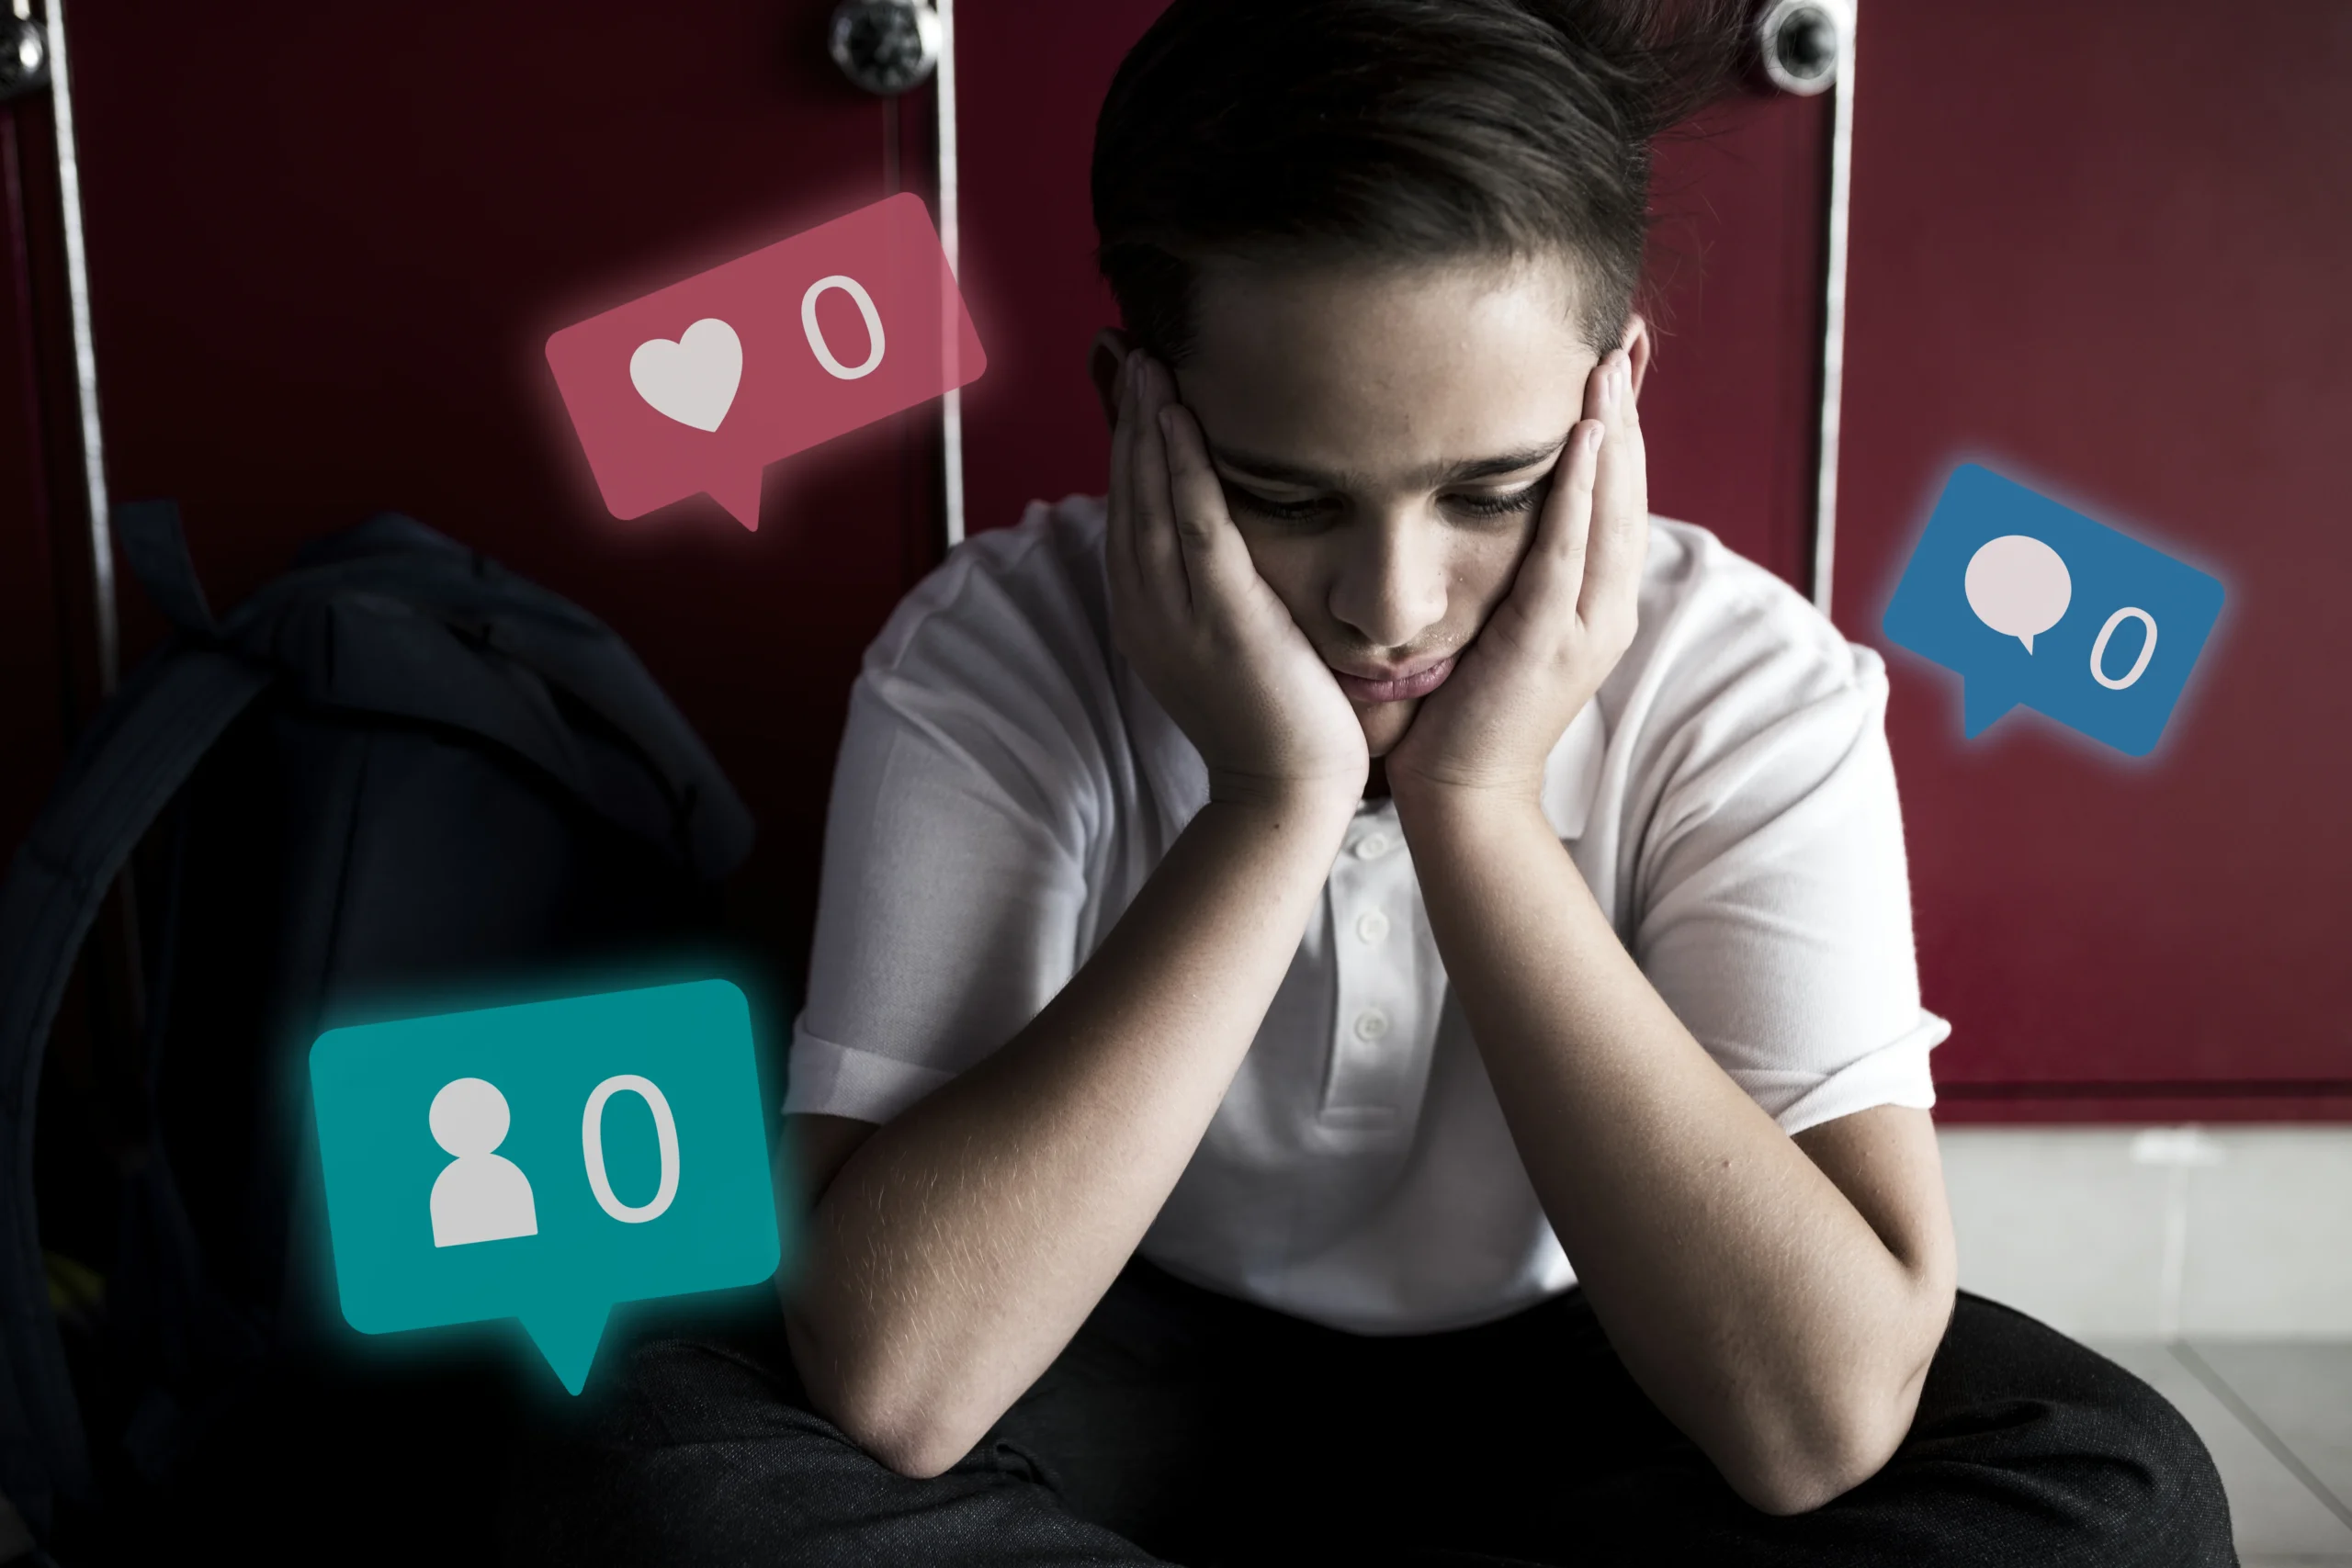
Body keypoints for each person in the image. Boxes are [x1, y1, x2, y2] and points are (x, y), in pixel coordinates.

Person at [504, 1, 2235, 1562]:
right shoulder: (992, 661)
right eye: (1287, 492)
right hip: (1108, 1347)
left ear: (1615, 399)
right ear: (1138, 413)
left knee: (2114, 1494)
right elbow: (903, 1386)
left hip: (1599, 1372)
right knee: (649, 1460)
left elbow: (1813, 1423)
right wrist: (1272, 806)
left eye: (1489, 490)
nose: (1389, 607)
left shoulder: (1749, 684)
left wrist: (1479, 813)